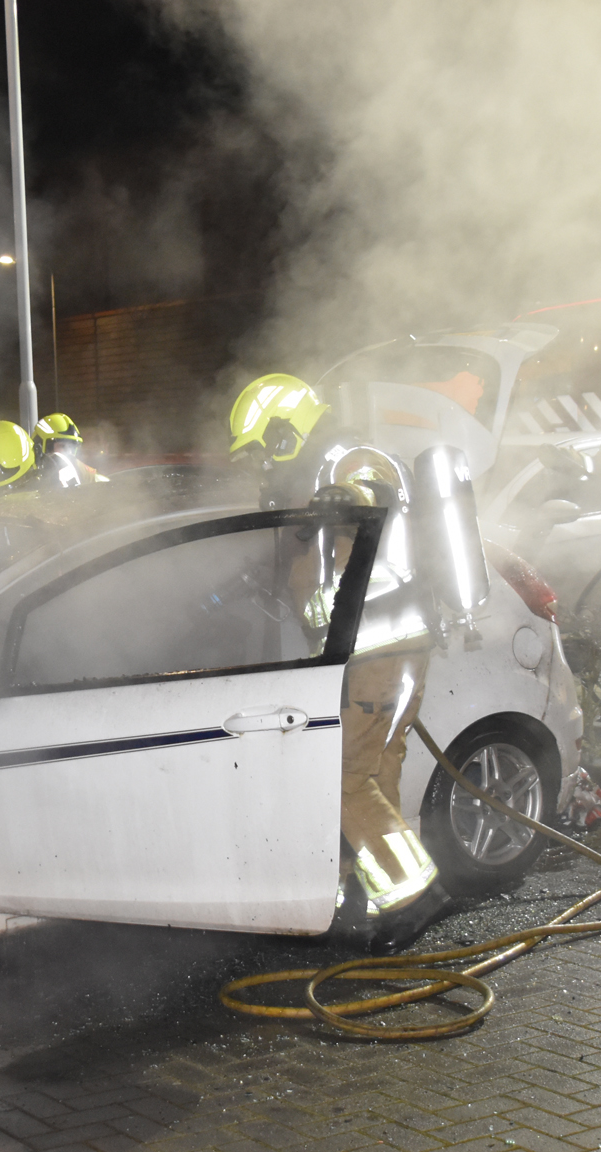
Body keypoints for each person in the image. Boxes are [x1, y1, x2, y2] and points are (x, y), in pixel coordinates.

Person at [228, 374, 446, 945]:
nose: (262, 462)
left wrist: (346, 501)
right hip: (382, 651)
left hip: (376, 649)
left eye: (262, 447)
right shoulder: (319, 472)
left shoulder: (351, 459)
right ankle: (370, 896)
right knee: (375, 775)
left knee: (342, 779)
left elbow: (375, 492)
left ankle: (414, 895)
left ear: (285, 429)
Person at [33, 413, 107, 487]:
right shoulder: (30, 475)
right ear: (42, 447)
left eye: (72, 447)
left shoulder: (81, 471)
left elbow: (102, 482)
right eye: (62, 446)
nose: (69, 452)